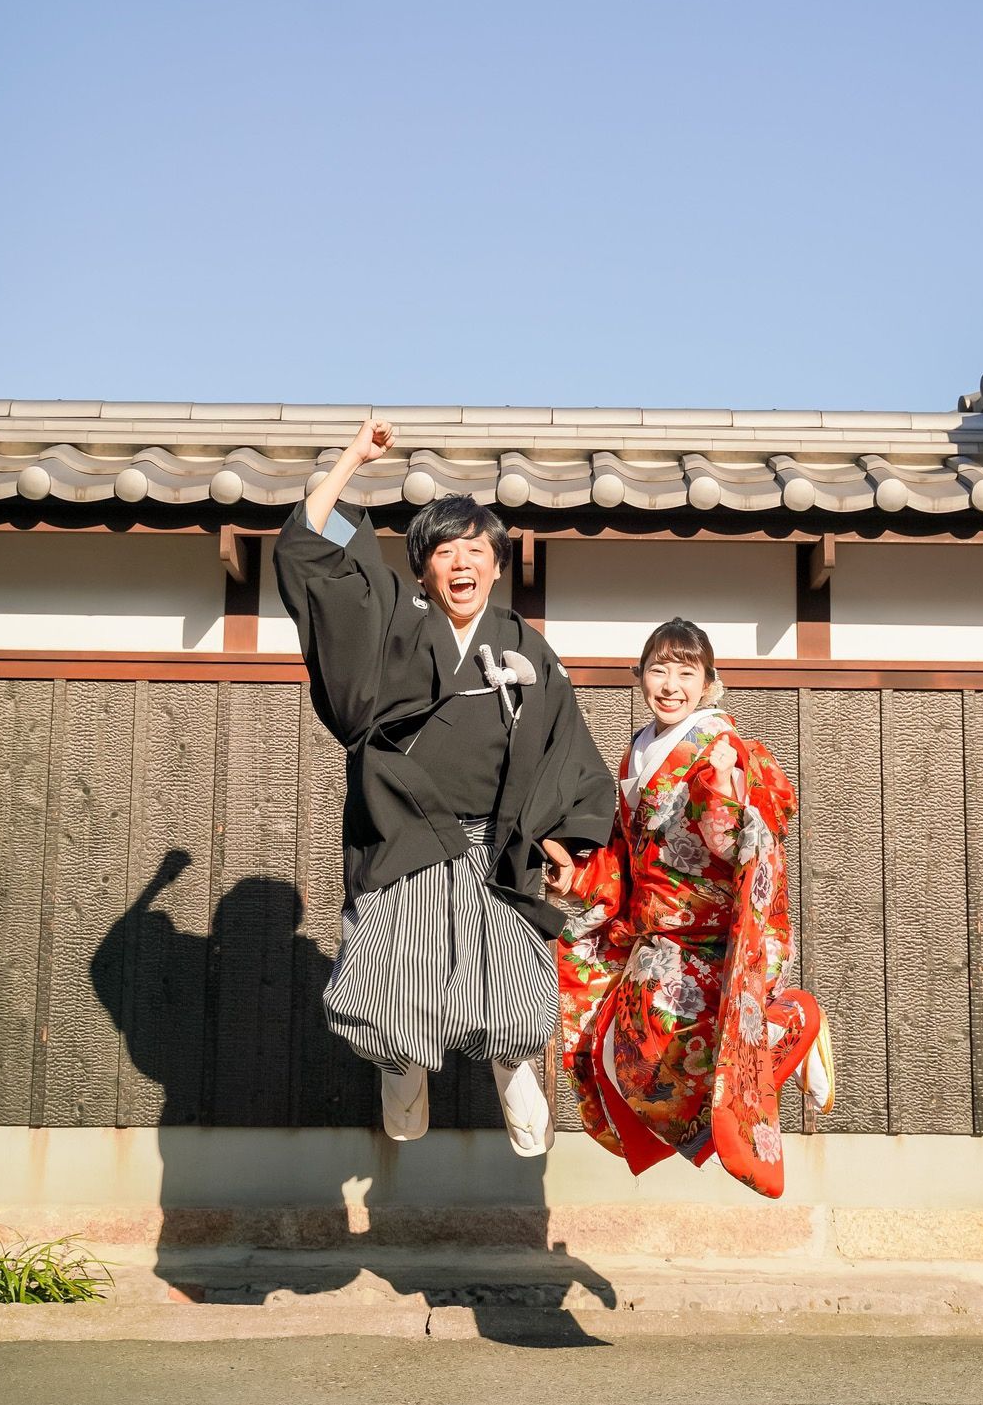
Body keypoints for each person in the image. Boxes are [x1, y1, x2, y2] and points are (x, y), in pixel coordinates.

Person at [274, 415, 616, 1156]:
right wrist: (352, 459)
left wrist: (563, 837)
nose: (461, 564)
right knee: (392, 995)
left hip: (497, 848)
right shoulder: (394, 623)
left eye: (475, 550)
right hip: (406, 838)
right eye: (443, 551)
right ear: (423, 568)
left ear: (497, 564)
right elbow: (308, 550)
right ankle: (402, 1075)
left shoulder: (527, 648)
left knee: (512, 995)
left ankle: (514, 1074)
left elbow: (565, 746)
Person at [554, 617, 834, 1199]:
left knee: (677, 1062)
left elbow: (740, 839)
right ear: (639, 676)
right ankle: (781, 1033)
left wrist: (726, 794)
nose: (671, 685)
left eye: (686, 673)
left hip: (709, 935)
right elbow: (624, 852)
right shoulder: (637, 752)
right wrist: (575, 877)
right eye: (659, 670)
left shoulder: (718, 744)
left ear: (709, 683)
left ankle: (796, 1021)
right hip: (655, 932)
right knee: (624, 1062)